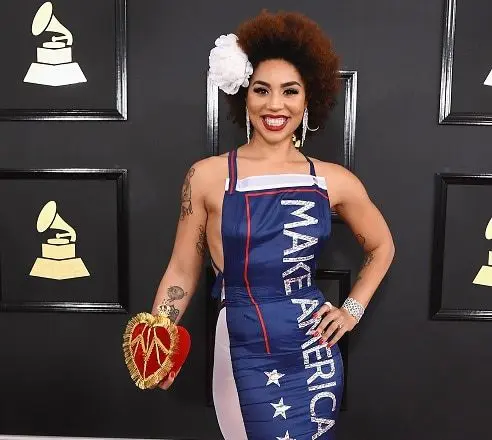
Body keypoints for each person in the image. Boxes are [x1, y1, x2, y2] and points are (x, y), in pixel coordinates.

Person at [151, 10, 395, 440]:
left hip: (313, 352)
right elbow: (182, 269)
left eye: (290, 91)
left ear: (308, 98)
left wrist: (351, 311)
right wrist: (158, 339)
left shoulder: (333, 180)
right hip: (241, 343)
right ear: (244, 96)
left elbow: (382, 246)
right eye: (262, 90)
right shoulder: (207, 176)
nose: (275, 105)